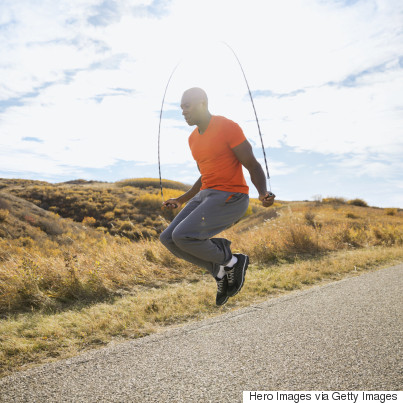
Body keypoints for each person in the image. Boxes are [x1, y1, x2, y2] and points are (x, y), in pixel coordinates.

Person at [160, 87, 275, 306]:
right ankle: (220, 272)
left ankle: (233, 260)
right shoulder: (193, 139)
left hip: (231, 196)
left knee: (183, 235)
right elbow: (205, 175)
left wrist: (262, 193)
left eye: (187, 106)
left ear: (202, 103)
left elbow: (251, 164)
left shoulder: (227, 127)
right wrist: (181, 199)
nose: (183, 112)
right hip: (205, 195)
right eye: (181, 107)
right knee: (168, 238)